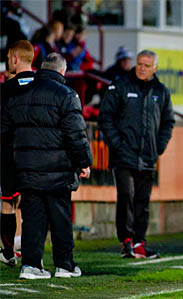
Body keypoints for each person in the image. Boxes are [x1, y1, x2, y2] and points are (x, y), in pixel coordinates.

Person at [1, 53, 93, 279]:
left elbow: (5, 131)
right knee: (60, 218)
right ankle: (65, 265)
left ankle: (31, 266)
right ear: (62, 71)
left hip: (26, 168)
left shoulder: (20, 93)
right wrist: (84, 162)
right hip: (58, 170)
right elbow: (75, 134)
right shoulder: (67, 95)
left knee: (32, 219)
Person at [98, 50, 175, 259]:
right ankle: (126, 241)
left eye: (146, 65)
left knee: (142, 200)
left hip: (149, 156)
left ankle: (140, 242)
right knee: (126, 196)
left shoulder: (161, 91)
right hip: (123, 155)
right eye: (139, 64)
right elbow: (105, 117)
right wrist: (117, 144)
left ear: (155, 68)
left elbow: (168, 121)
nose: (141, 68)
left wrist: (159, 146)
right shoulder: (120, 86)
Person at [0, 40, 35, 267]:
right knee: (33, 204)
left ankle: (8, 252)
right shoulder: (44, 86)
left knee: (7, 204)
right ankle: (34, 255)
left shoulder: (4, 90)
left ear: (14, 59)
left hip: (8, 153)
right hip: (36, 154)